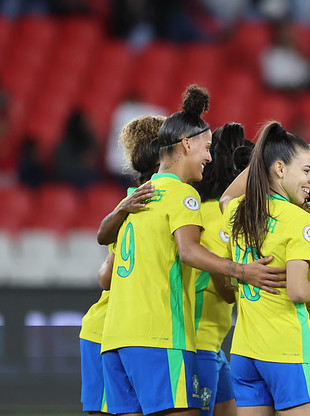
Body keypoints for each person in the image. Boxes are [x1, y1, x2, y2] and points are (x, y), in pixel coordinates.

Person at [100, 86, 285, 415]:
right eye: (206, 147)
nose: (210, 157)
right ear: (187, 144)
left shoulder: (137, 197)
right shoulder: (182, 196)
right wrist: (243, 271)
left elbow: (104, 263)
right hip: (158, 335)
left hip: (116, 337)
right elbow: (189, 252)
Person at [221, 121, 310, 415]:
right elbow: (298, 291)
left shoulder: (237, 211)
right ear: (279, 169)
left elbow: (225, 197)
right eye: (305, 170)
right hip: (286, 350)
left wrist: (262, 159)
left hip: (244, 353)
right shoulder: (297, 219)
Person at [80, 114, 162, 415]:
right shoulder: (153, 203)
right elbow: (107, 277)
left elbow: (105, 274)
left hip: (108, 329)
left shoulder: (130, 202)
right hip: (118, 330)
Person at [190, 122, 253, 416]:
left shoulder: (200, 210)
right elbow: (227, 292)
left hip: (213, 345)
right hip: (197, 343)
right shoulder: (219, 218)